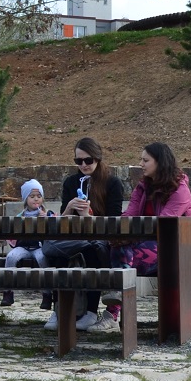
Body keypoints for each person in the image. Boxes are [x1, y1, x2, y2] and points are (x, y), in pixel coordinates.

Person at [124, 142, 191, 333]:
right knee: (105, 248)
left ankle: (115, 303)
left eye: (145, 160)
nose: (141, 164)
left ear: (160, 163)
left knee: (123, 252)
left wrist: (129, 236)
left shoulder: (179, 190)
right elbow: (127, 217)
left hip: (172, 251)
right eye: (141, 159)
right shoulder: (142, 187)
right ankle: (114, 305)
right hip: (141, 246)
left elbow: (163, 225)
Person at [43, 136, 126, 333]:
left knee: (92, 249)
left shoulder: (112, 183)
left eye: (88, 160)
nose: (83, 165)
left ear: (98, 158)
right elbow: (63, 221)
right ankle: (59, 309)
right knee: (56, 251)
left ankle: (90, 311)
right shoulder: (72, 182)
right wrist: (69, 209)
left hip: (101, 239)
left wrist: (88, 215)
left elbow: (113, 220)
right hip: (74, 237)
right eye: (78, 161)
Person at [1, 179, 51, 308]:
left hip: (39, 246)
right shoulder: (20, 216)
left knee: (43, 258)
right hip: (23, 247)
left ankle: (47, 294)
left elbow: (53, 230)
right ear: (25, 199)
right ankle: (8, 292)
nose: (36, 199)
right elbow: (12, 234)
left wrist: (45, 220)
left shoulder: (47, 214)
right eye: (32, 196)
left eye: (39, 196)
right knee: (11, 257)